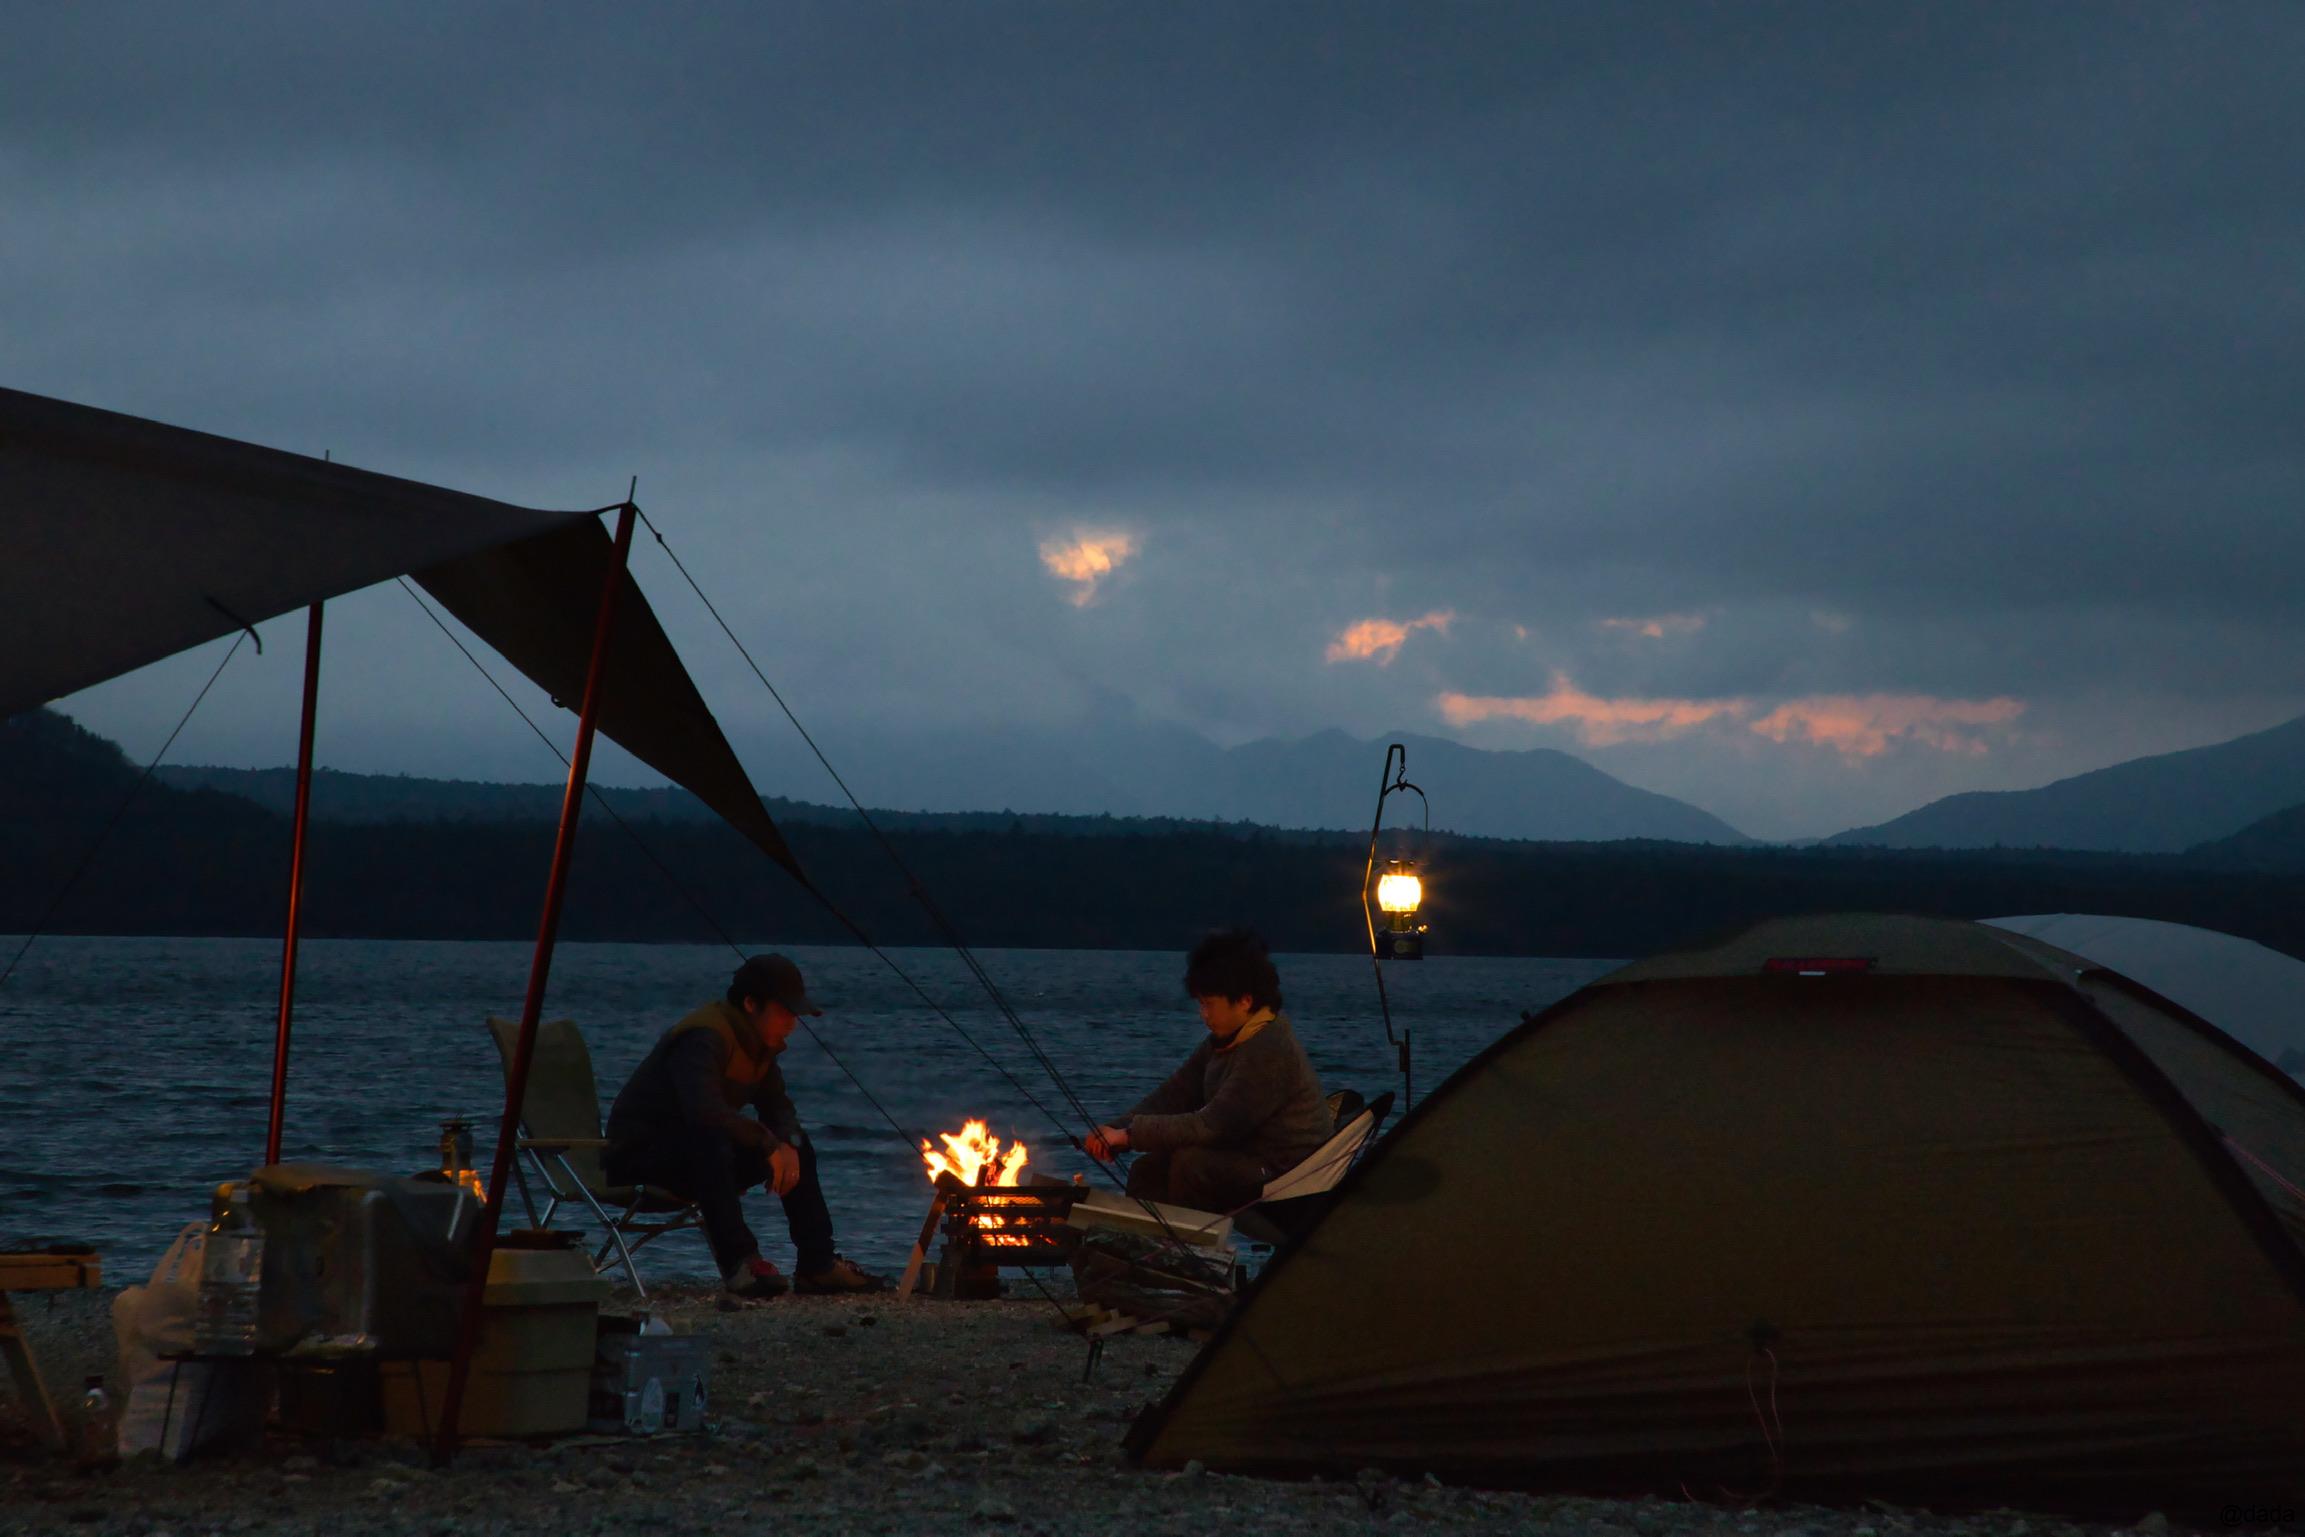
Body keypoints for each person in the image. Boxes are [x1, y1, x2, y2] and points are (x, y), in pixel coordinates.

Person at [604, 954, 885, 1298]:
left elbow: (778, 1108)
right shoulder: (704, 1037)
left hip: (695, 1157)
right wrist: (767, 1143)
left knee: (796, 1143)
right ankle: (741, 1262)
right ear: (751, 1004)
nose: (792, 1024)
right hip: (637, 1158)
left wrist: (787, 1142)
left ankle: (818, 1264)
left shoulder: (759, 1047)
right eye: (785, 1012)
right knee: (711, 1142)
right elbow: (703, 1112)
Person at [1084, 928, 1332, 1212]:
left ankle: (1189, 1249)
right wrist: (1116, 1128)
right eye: (1201, 1004)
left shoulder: (1270, 1048)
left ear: (1244, 1001)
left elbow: (1215, 1126)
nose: (1203, 1014)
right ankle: (1141, 1244)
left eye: (1209, 1004)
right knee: (1148, 1168)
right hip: (1246, 1157)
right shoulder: (1224, 1042)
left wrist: (1130, 1135)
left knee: (1191, 1165)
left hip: (1290, 1175)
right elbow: (1174, 1096)